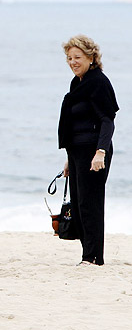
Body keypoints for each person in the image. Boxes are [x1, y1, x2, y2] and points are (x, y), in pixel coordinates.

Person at [58, 35, 118, 266]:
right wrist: (68, 159)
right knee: (79, 203)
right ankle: (88, 255)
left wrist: (100, 151)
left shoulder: (99, 82)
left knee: (91, 203)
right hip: (77, 152)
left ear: (91, 58)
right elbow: (74, 124)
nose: (72, 62)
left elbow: (107, 120)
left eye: (77, 57)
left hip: (94, 152)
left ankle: (93, 258)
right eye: (69, 58)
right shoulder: (78, 83)